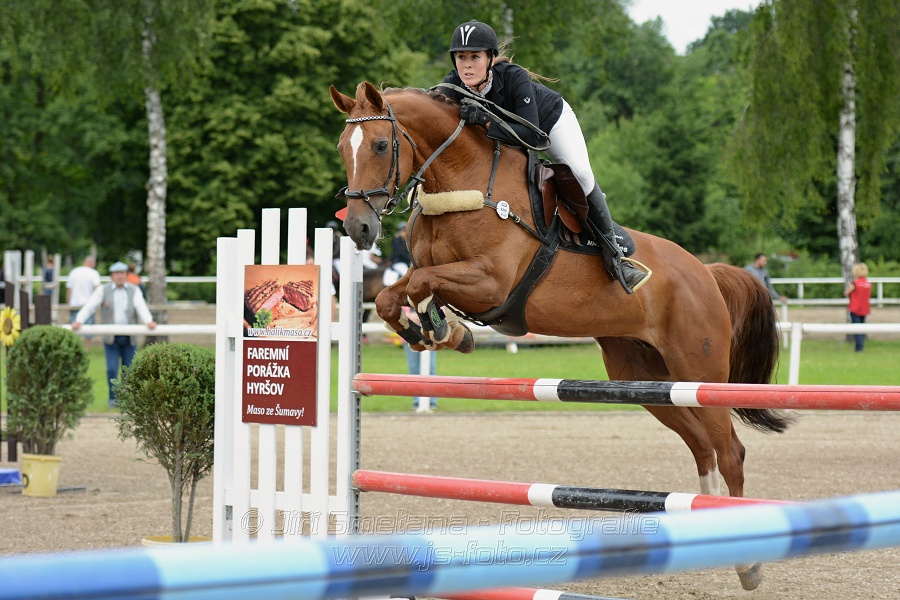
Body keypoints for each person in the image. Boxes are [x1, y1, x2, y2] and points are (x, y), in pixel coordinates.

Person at [439, 20, 649, 294]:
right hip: (511, 137)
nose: (467, 65)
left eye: (475, 57)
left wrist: (489, 123)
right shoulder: (452, 86)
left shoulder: (513, 77)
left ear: (490, 58)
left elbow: (536, 137)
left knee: (581, 174)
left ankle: (614, 254)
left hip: (550, 123)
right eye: (461, 57)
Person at [72, 261, 157, 408]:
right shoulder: (103, 290)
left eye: (122, 273)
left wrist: (148, 321)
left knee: (129, 369)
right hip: (111, 337)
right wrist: (79, 320)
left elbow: (141, 306)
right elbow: (90, 306)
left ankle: (127, 399)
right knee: (111, 369)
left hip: (129, 336)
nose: (119, 276)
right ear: (112, 276)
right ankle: (113, 399)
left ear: (126, 275)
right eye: (117, 273)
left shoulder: (134, 290)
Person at [402, 306, 437, 412]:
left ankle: (432, 401)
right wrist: (407, 317)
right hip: (409, 336)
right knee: (414, 369)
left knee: (430, 368)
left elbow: (440, 313)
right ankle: (417, 400)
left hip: (429, 337)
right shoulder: (402, 295)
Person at [66, 256, 101, 333]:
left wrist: (68, 303)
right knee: (88, 331)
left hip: (74, 303)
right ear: (92, 263)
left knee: (73, 328)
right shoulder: (94, 273)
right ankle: (86, 345)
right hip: (88, 305)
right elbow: (98, 289)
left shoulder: (74, 272)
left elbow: (69, 289)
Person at [844, 262, 871, 352]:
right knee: (862, 327)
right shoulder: (868, 283)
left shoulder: (855, 283)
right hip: (865, 308)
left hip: (855, 308)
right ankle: (860, 345)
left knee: (856, 328)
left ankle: (859, 348)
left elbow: (846, 292)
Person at [383, 222, 412, 287]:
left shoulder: (405, 241)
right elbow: (400, 253)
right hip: (399, 262)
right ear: (400, 231)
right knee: (406, 277)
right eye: (403, 231)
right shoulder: (397, 241)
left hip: (405, 262)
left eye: (405, 232)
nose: (404, 233)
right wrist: (410, 259)